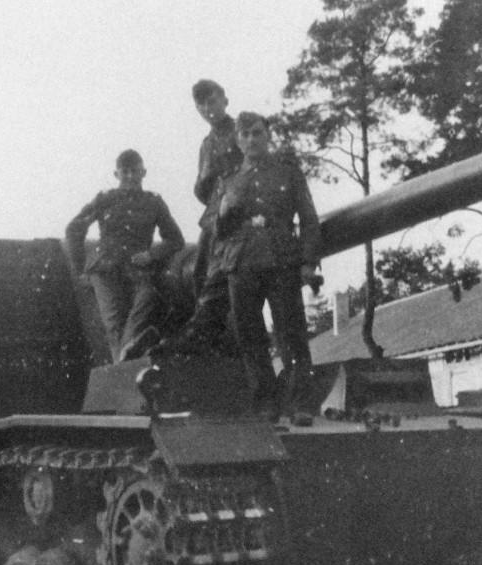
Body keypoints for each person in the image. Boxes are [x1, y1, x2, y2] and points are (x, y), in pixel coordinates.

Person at [174, 111, 320, 426]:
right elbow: (214, 229)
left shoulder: (287, 173)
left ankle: (300, 404)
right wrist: (223, 212)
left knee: (291, 334)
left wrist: (309, 262)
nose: (251, 140)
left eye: (257, 133)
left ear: (268, 136)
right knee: (250, 337)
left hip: (281, 260)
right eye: (245, 135)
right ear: (238, 141)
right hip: (241, 264)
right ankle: (265, 403)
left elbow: (309, 219)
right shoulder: (227, 181)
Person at [65, 149, 185, 363]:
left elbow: (175, 239)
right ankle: (125, 356)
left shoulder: (153, 202)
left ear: (143, 172)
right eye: (125, 172)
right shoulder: (105, 199)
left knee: (149, 298)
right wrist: (80, 269)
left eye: (135, 171)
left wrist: (151, 255)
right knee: (115, 324)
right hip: (105, 270)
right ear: (116, 174)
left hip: (138, 269)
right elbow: (74, 228)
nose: (130, 176)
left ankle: (126, 353)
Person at [192, 79, 243, 288]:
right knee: (199, 274)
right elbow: (201, 193)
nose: (207, 109)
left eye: (212, 102)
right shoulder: (207, 145)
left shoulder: (242, 131)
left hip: (240, 211)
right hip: (214, 217)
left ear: (225, 101)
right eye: (201, 105)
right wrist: (205, 177)